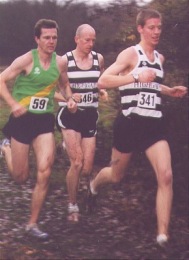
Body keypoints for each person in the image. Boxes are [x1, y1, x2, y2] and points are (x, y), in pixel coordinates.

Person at [87, 9, 187, 246]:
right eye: (151, 27)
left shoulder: (160, 59)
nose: (156, 32)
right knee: (116, 175)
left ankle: (163, 235)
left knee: (166, 175)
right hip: (130, 125)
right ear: (140, 29)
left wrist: (169, 90)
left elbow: (151, 86)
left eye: (159, 27)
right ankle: (93, 185)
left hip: (154, 126)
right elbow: (103, 81)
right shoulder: (131, 54)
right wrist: (134, 77)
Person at [0, 19, 77, 239]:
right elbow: (1, 80)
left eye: (54, 37)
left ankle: (32, 224)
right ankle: (5, 148)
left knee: (45, 169)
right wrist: (13, 104)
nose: (51, 41)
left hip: (44, 120)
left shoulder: (60, 62)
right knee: (21, 177)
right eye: (47, 37)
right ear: (37, 39)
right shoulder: (26, 59)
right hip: (22, 120)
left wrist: (70, 99)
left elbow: (64, 84)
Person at [56, 24, 108, 222]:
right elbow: (60, 87)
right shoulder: (65, 61)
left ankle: (66, 145)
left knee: (87, 168)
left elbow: (100, 81)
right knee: (76, 163)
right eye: (87, 40)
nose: (90, 44)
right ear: (76, 39)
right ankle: (72, 205)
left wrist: (101, 91)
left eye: (93, 40)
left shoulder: (98, 59)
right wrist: (68, 99)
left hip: (89, 116)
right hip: (70, 116)